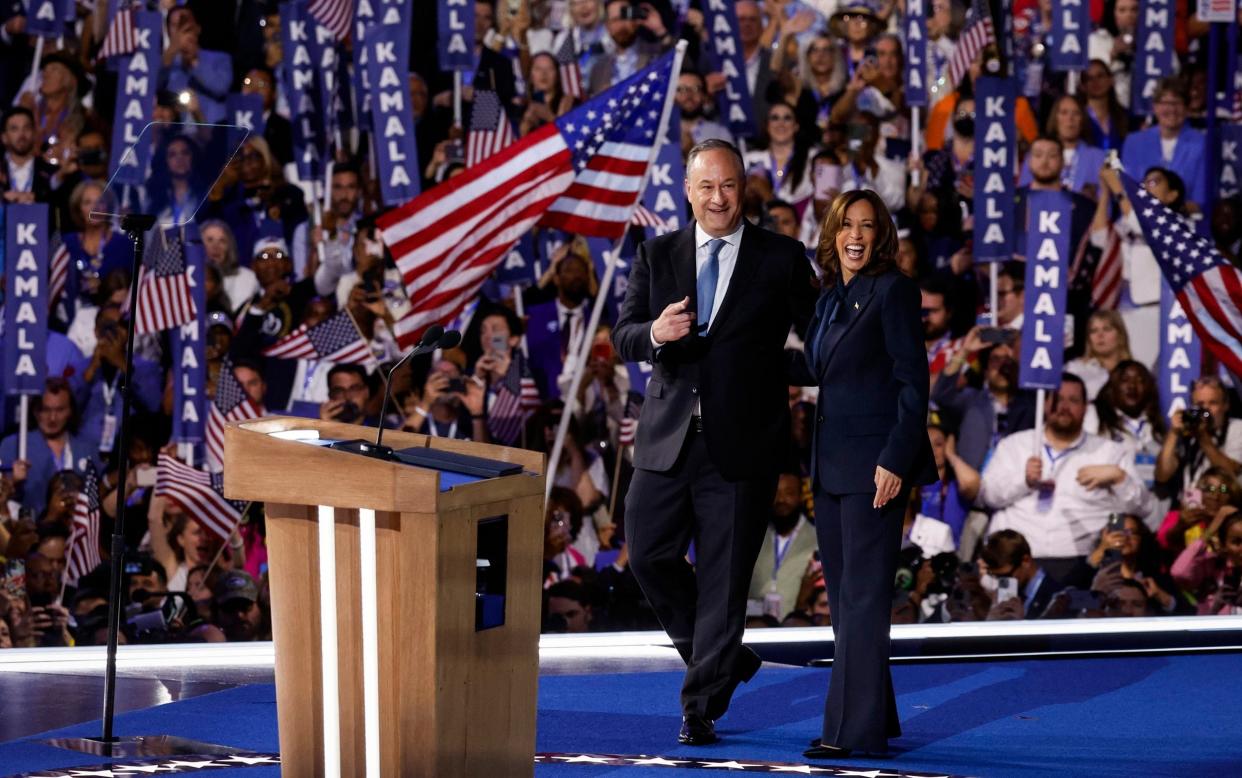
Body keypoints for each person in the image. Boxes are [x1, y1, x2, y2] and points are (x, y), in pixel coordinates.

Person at [612, 138, 816, 746]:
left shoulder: (781, 256)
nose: (718, 197)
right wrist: (655, 330)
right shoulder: (658, 253)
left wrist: (788, 371)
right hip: (666, 438)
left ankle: (700, 705)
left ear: (744, 187)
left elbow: (819, 337)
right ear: (687, 190)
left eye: (728, 185)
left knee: (725, 580)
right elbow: (623, 335)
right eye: (706, 186)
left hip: (742, 442)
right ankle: (722, 655)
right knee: (647, 553)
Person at [792, 189, 936, 760]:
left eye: (867, 226)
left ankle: (852, 732)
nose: (855, 235)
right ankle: (876, 714)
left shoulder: (893, 291)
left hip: (876, 467)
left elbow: (912, 382)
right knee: (849, 599)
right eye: (845, 225)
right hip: (829, 469)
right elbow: (811, 367)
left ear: (881, 236)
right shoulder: (830, 300)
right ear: (831, 233)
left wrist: (896, 460)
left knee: (862, 600)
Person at [980, 374, 1153, 582]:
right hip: (1014, 561)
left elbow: (1143, 508)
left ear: (1085, 408)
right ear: (1045, 404)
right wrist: (1023, 481)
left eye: (1073, 400)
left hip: (1080, 562)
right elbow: (987, 496)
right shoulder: (1015, 445)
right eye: (1058, 399)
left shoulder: (1110, 453)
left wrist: (1118, 477)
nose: (1064, 407)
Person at [1154, 376, 1242, 498]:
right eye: (1200, 404)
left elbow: (1230, 473)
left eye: (1213, 403)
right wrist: (1173, 432)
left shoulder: (1237, 429)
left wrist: (1203, 437)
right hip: (1191, 509)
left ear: (1225, 405)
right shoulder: (1187, 434)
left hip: (1224, 509)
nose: (1206, 410)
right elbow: (1162, 475)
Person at [747, 472, 817, 622]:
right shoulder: (753, 537)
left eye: (789, 493)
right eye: (775, 493)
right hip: (753, 626)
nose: (781, 500)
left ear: (801, 497)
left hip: (797, 625)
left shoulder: (817, 540)